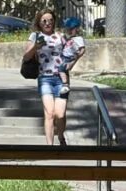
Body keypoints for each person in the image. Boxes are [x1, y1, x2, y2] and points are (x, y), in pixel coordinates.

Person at [28, 10, 86, 144]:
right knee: (49, 113)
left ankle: (60, 136)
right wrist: (35, 47)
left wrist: (72, 63)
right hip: (45, 79)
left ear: (54, 21)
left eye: (50, 20)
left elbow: (74, 50)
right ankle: (49, 146)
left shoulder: (61, 37)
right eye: (44, 21)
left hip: (61, 79)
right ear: (39, 22)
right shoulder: (35, 36)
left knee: (60, 114)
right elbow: (26, 56)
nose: (47, 23)